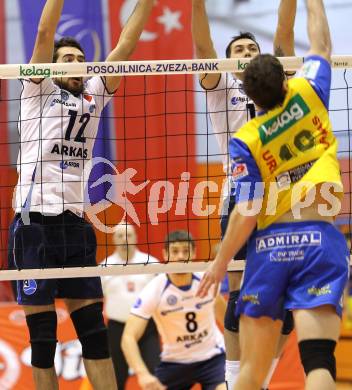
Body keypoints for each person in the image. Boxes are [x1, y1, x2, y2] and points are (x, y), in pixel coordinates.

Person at [197, 0, 350, 389]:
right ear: (284, 79)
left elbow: (246, 210)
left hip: (269, 239)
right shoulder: (308, 91)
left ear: (253, 93)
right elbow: (320, 44)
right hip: (318, 236)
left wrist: (219, 261)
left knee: (252, 370)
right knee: (318, 359)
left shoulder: (246, 141)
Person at [7, 0, 155, 389]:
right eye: (67, 58)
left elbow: (125, 46)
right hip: (33, 223)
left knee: (92, 329)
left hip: (74, 223)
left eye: (80, 58)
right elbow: (42, 33)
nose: (75, 63)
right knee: (42, 338)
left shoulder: (94, 94)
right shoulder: (36, 90)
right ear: (53, 66)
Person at [191, 1, 296, 388]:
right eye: (239, 50)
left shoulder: (278, 82)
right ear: (229, 62)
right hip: (238, 192)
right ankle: (236, 378)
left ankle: (260, 377)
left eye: (253, 49)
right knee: (239, 293)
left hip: (283, 195)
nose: (247, 54)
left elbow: (284, 34)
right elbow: (203, 49)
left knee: (286, 295)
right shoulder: (222, 85)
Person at [121, 230, 227, 390]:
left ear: (193, 253)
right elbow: (128, 337)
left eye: (186, 251)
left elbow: (228, 323)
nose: (180, 256)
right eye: (175, 251)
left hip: (213, 358)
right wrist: (142, 374)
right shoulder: (155, 289)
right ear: (165, 254)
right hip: (175, 363)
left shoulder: (207, 281)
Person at [101, 222, 161, 389]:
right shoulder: (104, 266)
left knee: (154, 370)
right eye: (119, 235)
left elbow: (162, 293)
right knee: (117, 375)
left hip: (146, 327)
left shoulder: (150, 263)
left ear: (135, 237)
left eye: (128, 235)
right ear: (113, 239)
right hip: (116, 328)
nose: (124, 239)